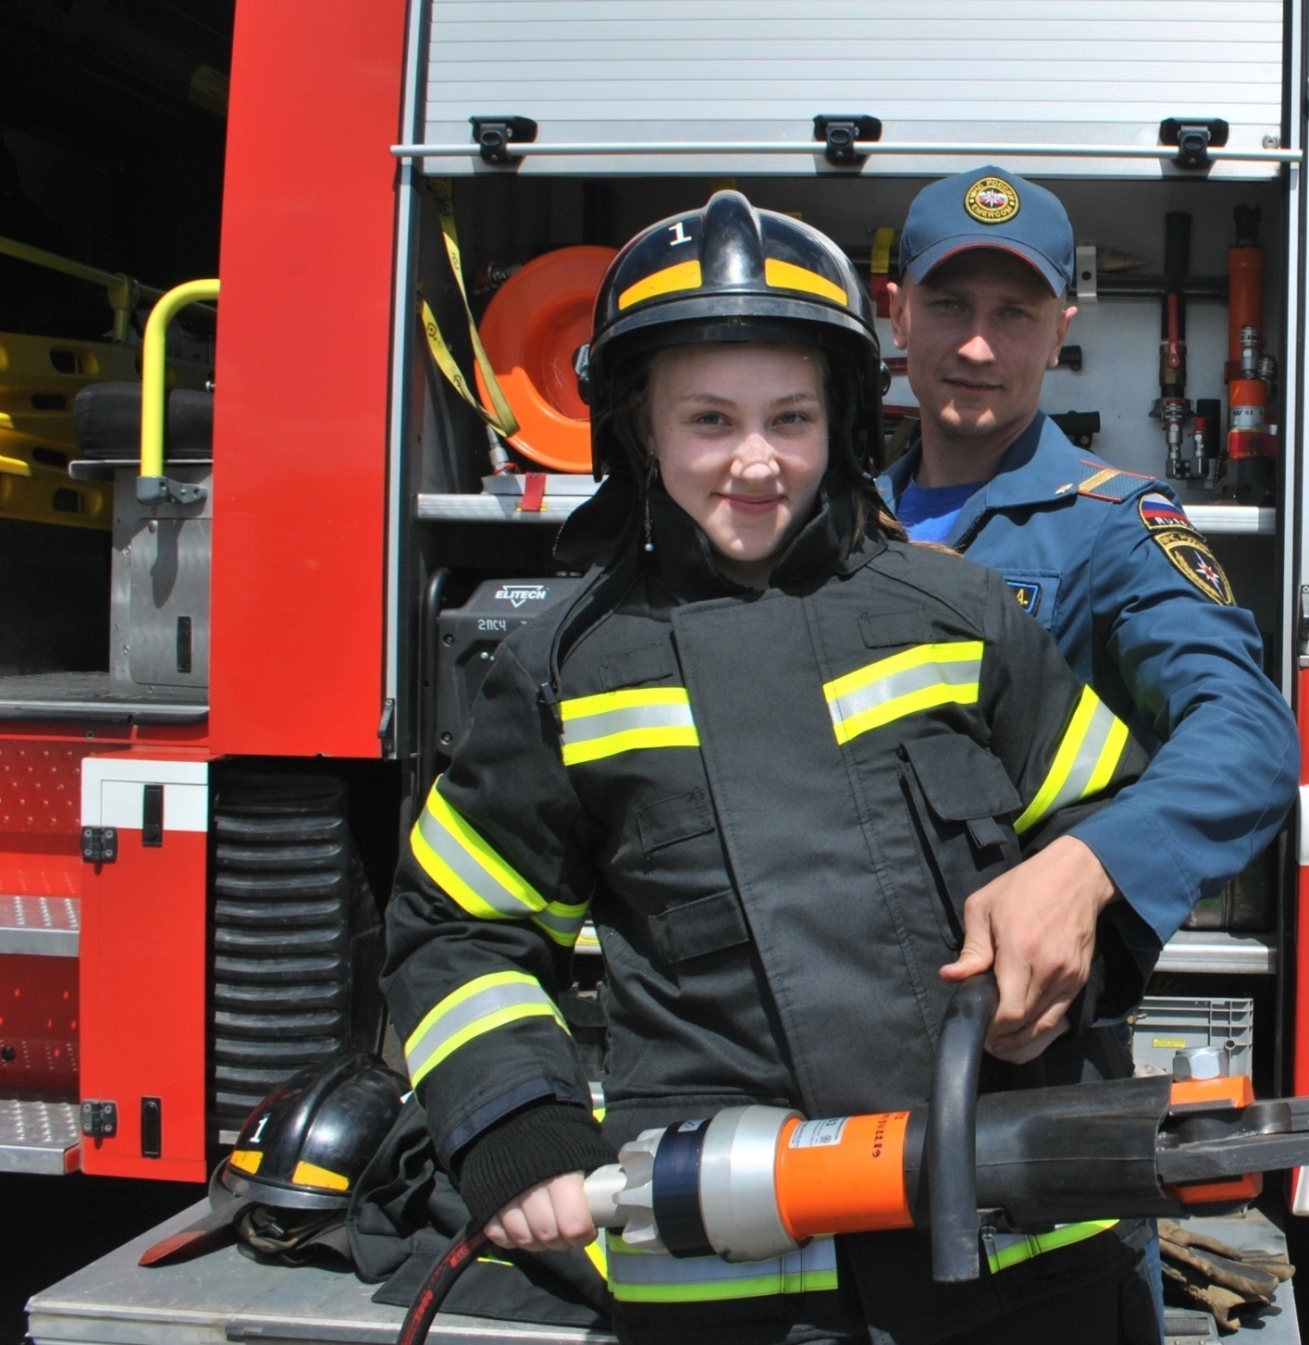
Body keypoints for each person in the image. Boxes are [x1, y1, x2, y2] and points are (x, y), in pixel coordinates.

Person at [380, 191, 1163, 1345]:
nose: (753, 463)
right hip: (740, 1290)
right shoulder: (567, 670)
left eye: (789, 419)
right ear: (639, 429)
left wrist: (1073, 938)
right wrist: (518, 1118)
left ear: (841, 421)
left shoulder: (956, 615)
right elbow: (458, 925)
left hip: (1016, 1260)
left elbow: (1108, 816)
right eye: (707, 419)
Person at [880, 168, 1300, 1044]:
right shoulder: (835, 524)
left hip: (1013, 1034)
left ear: (1062, 330)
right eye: (951, 305)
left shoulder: (1114, 524)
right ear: (898, 311)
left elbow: (1248, 734)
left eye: (1015, 314)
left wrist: (1089, 864)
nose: (980, 347)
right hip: (839, 1016)